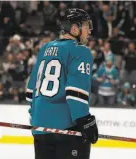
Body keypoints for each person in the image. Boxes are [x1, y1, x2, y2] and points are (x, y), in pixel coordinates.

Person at [26, 8, 98, 159]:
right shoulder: (81, 51)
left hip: (40, 129)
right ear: (74, 28)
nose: (89, 31)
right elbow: (75, 93)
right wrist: (85, 121)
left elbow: (30, 91)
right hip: (66, 131)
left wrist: (34, 117)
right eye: (86, 26)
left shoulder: (46, 48)